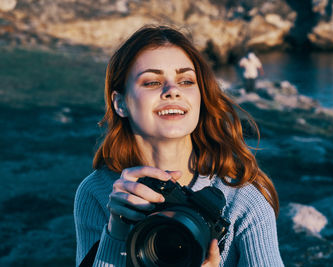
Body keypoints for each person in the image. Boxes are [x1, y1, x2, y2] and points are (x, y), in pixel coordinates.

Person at [74, 25, 283, 267]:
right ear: (120, 103)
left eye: (185, 81)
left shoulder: (242, 199)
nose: (172, 91)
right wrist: (115, 233)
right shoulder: (99, 192)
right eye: (152, 82)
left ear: (200, 97)